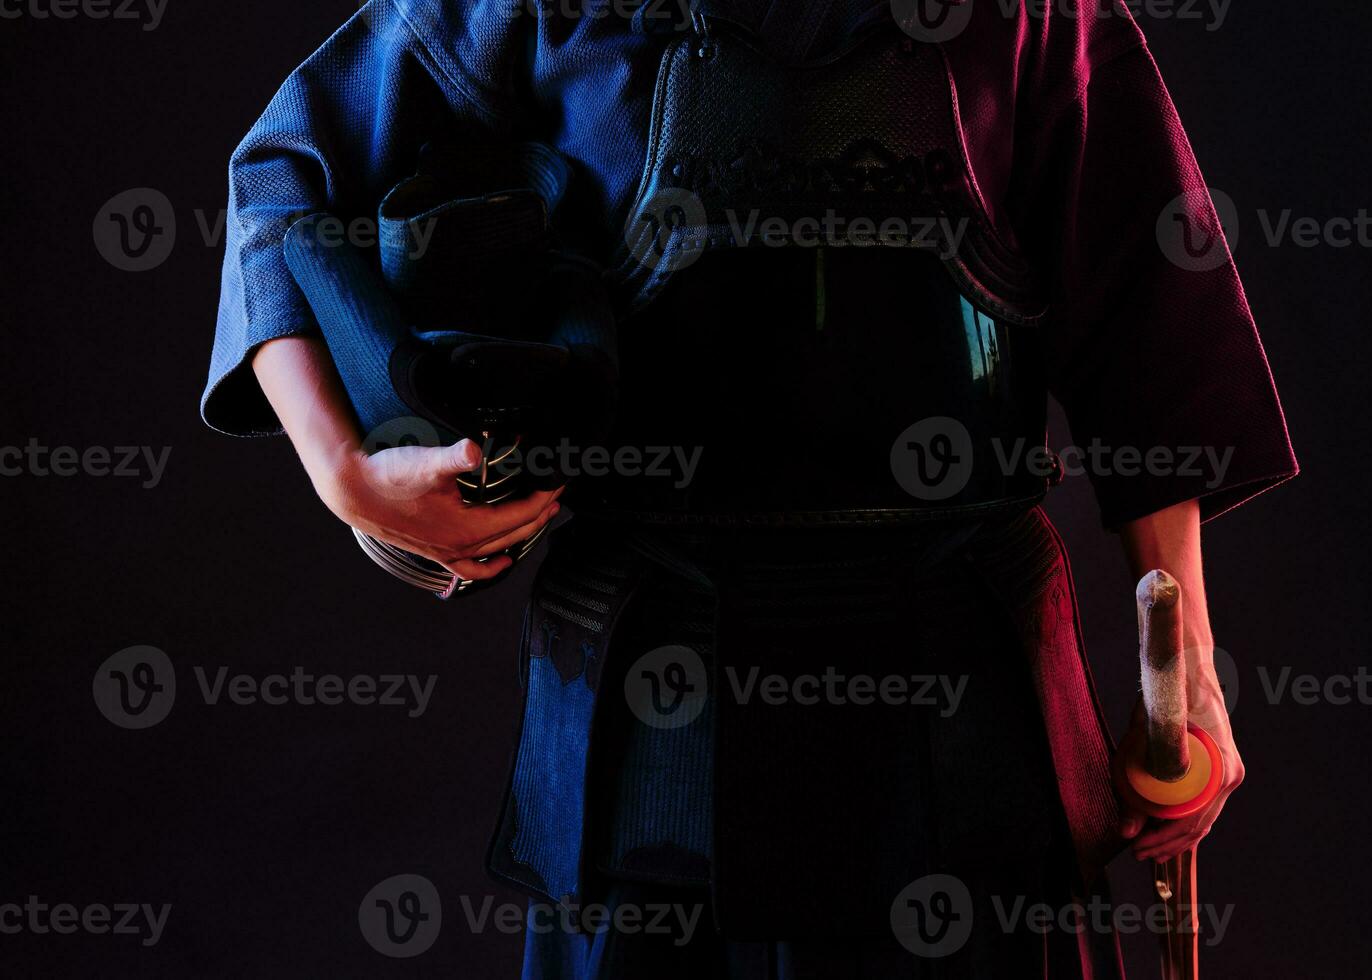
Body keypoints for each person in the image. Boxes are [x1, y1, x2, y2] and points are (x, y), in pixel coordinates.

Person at [202, 1, 1297, 975]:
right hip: (649, 732)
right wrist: (347, 474)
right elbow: (281, 174)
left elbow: (1156, 324)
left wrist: (1186, 657)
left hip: (971, 730)